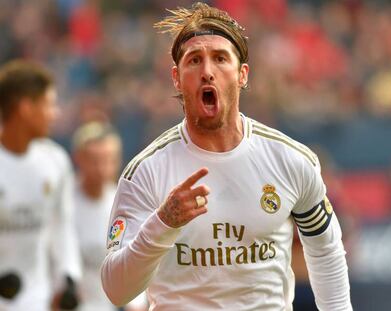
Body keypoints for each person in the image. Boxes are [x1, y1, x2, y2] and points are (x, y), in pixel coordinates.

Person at [101, 3, 352, 310]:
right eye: (194, 61)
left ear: (242, 74)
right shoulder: (146, 171)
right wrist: (163, 223)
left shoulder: (291, 160)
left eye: (220, 59)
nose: (207, 71)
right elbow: (116, 290)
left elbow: (326, 251)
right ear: (177, 78)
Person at [0, 60, 82, 310]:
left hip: (39, 299)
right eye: (49, 104)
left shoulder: (55, 161)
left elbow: (62, 226)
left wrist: (68, 278)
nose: (54, 114)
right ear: (25, 108)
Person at [72, 121, 149, 311]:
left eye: (108, 160)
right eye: (94, 160)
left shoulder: (124, 204)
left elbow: (134, 259)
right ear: (78, 159)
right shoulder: (64, 203)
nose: (101, 168)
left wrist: (136, 304)